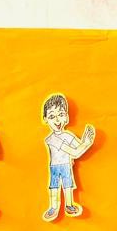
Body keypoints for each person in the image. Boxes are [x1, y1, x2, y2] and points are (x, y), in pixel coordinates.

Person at [41, 93, 95, 221]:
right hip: (55, 167)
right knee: (54, 187)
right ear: (45, 119)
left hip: (66, 165)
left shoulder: (68, 135)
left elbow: (78, 146)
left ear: (66, 116)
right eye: (52, 116)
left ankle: (69, 205)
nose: (57, 120)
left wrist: (85, 139)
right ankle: (54, 207)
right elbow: (75, 152)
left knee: (68, 185)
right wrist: (86, 143)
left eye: (61, 114)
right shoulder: (52, 139)